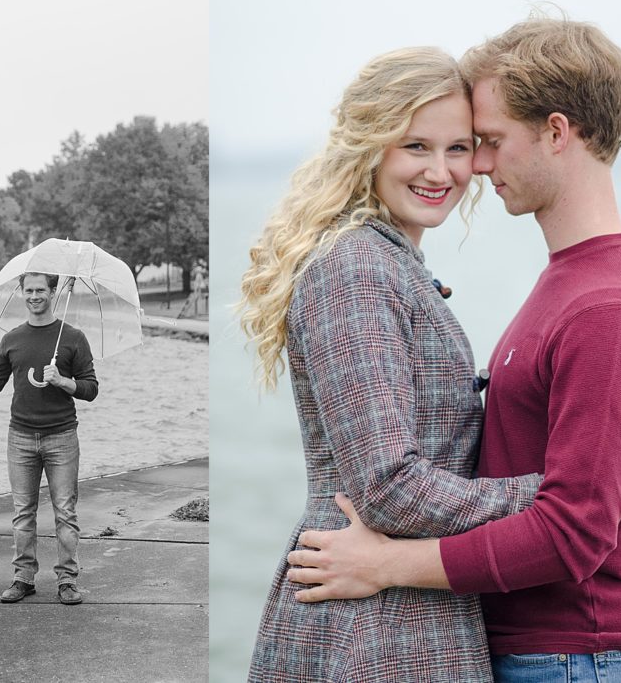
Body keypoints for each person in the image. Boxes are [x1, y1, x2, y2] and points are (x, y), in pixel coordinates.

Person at [287, 19, 621, 683]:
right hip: (550, 654)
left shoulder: (608, 308)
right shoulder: (572, 279)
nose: (475, 165)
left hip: (578, 657)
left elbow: (574, 530)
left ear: (556, 132)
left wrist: (388, 563)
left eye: (488, 142)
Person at [238, 47, 563, 682]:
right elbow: (389, 487)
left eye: (459, 148)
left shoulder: (392, 264)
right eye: (415, 145)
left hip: (398, 602)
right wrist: (556, 495)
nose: (440, 171)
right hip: (372, 624)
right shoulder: (357, 269)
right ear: (371, 146)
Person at [0, 271, 98, 606]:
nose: (35, 296)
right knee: (22, 512)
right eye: (29, 290)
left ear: (53, 292)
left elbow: (91, 389)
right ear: (22, 293)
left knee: (65, 512)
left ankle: (67, 580)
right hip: (21, 438)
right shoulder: (12, 339)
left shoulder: (73, 338)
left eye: (41, 289)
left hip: (62, 437)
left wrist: (64, 382)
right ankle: (23, 578)